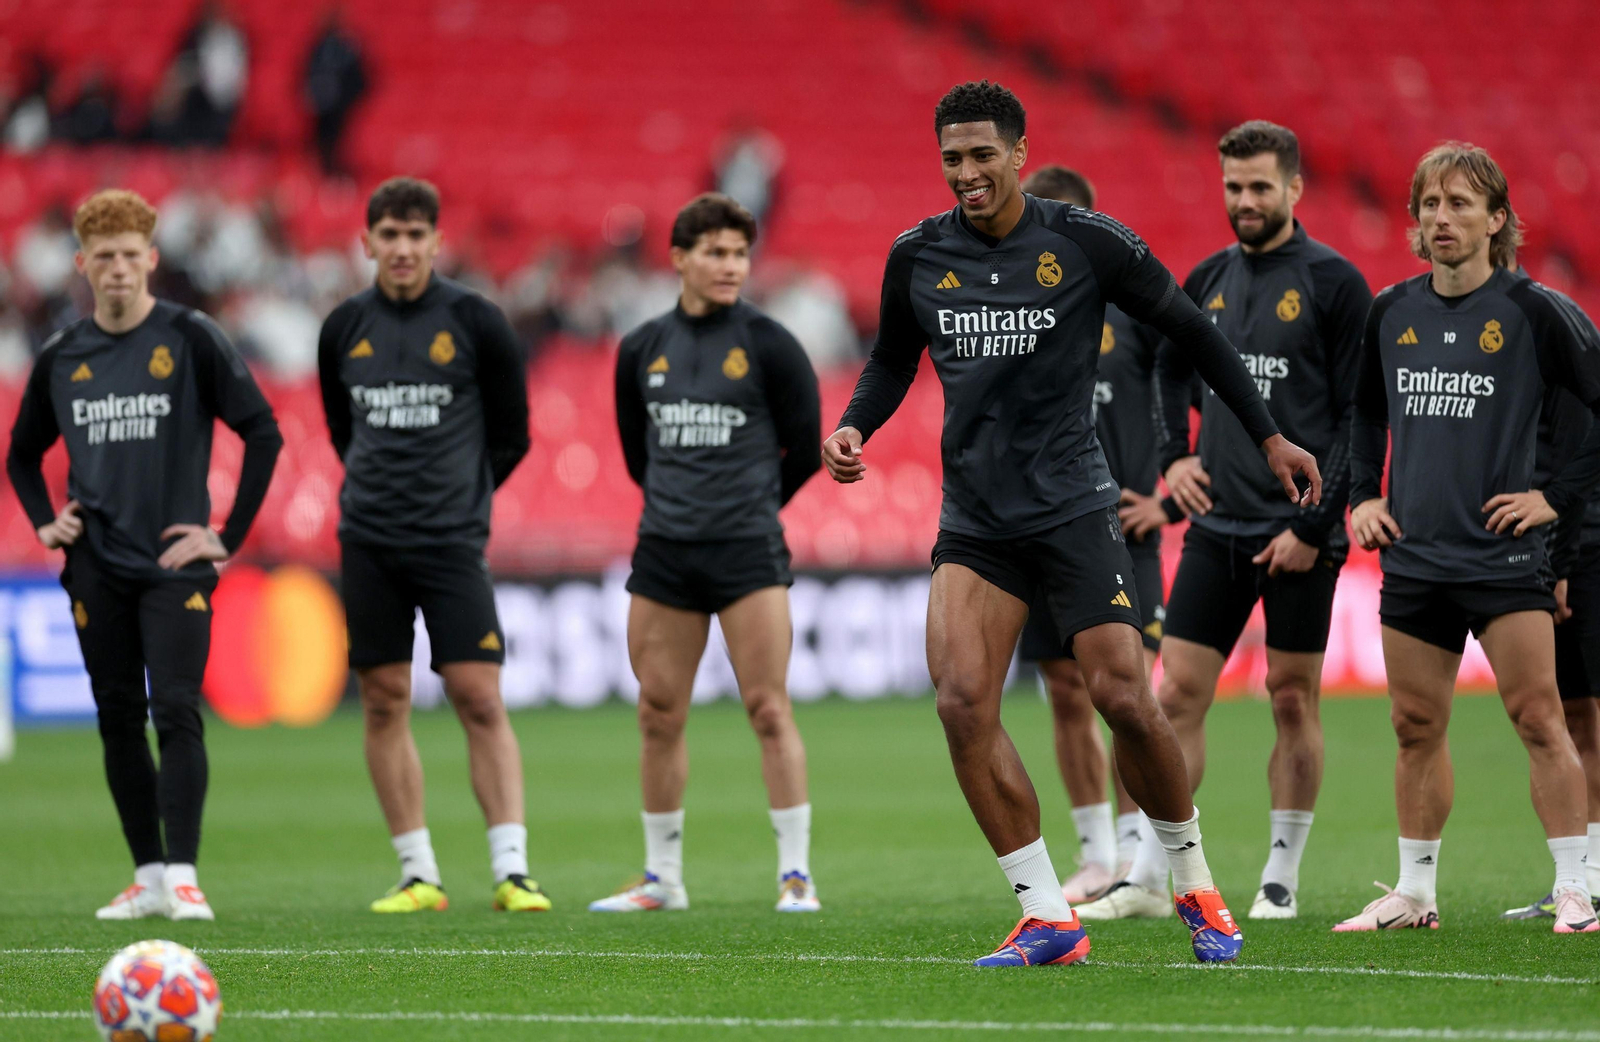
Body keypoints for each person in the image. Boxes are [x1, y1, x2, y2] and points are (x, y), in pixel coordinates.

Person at [824, 80, 1323, 966]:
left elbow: (1193, 331)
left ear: (1019, 154)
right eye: (952, 158)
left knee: (1123, 697)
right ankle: (1047, 914)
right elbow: (894, 358)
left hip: (1073, 506)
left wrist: (1269, 435)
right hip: (977, 517)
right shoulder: (918, 256)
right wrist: (857, 423)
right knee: (961, 701)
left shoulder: (1086, 242)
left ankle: (1194, 883)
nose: (967, 173)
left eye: (983, 155)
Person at [1083, 122, 1373, 923]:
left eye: (1259, 187)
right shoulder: (1207, 277)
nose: (1245, 201)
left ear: (1294, 188)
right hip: (1218, 528)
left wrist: (1314, 527)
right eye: (1233, 187)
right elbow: (1168, 365)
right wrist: (1174, 456)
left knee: (1291, 698)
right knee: (1175, 694)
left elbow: (1358, 416)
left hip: (1299, 533)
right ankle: (1151, 875)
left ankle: (1280, 877)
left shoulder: (1334, 284)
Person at [1338, 144, 1600, 934]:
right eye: (1429, 204)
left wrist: (1555, 498)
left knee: (1539, 719)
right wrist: (1361, 496)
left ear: (1496, 220)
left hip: (1502, 558)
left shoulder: (1534, 312)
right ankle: (1415, 892)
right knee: (1414, 726)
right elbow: (1364, 413)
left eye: (1459, 204)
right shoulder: (1390, 311)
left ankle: (1576, 890)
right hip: (1416, 555)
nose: (1441, 218)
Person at [5, 189, 283, 920]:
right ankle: (148, 874)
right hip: (95, 566)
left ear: (152, 258)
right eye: (105, 257)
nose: (119, 269)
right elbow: (21, 454)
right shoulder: (62, 356)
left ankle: (184, 875)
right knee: (118, 718)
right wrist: (45, 522)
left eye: (131, 255)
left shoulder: (191, 338)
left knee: (178, 710)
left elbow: (262, 430)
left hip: (173, 564)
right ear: (81, 265)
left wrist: (227, 534)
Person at [317, 177, 546, 914]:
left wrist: (464, 497)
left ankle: (512, 871)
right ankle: (418, 874)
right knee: (383, 701)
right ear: (367, 242)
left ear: (437, 241)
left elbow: (512, 433)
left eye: (416, 234)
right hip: (369, 541)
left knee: (478, 695)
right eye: (390, 234)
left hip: (451, 544)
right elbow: (342, 430)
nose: (403, 248)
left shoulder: (477, 321)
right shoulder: (343, 327)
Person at [592, 192, 823, 914]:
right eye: (715, 252)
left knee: (768, 708)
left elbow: (805, 448)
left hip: (748, 552)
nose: (731, 266)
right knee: (658, 712)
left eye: (740, 254)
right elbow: (638, 455)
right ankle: (662, 878)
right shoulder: (642, 348)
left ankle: (796, 875)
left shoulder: (771, 343)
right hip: (665, 553)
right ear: (679, 258)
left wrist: (749, 506)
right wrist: (683, 507)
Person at [1012, 165, 1180, 905]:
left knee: (1126, 691)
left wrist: (1171, 499)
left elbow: (1198, 395)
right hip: (1039, 529)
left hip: (1121, 529)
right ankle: (1095, 854)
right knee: (1063, 690)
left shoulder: (1133, 314)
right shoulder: (1011, 315)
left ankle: (1141, 851)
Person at [1503, 370, 1600, 918]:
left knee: (1582, 715)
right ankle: (1582, 877)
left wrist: (1560, 565)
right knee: (1561, 716)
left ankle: (1592, 875)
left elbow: (1576, 457)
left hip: (1577, 549)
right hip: (1539, 546)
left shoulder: (1558, 341)